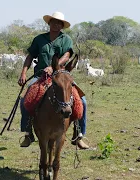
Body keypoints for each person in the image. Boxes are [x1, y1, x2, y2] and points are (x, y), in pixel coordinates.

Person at [17, 11, 89, 149]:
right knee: (24, 100)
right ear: (49, 23)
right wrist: (23, 73)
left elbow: (67, 55)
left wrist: (53, 67)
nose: (56, 24)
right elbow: (30, 56)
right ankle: (27, 133)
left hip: (61, 76)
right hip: (40, 75)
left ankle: (79, 135)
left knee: (82, 101)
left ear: (62, 25)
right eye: (53, 22)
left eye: (59, 23)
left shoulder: (66, 39)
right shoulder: (39, 39)